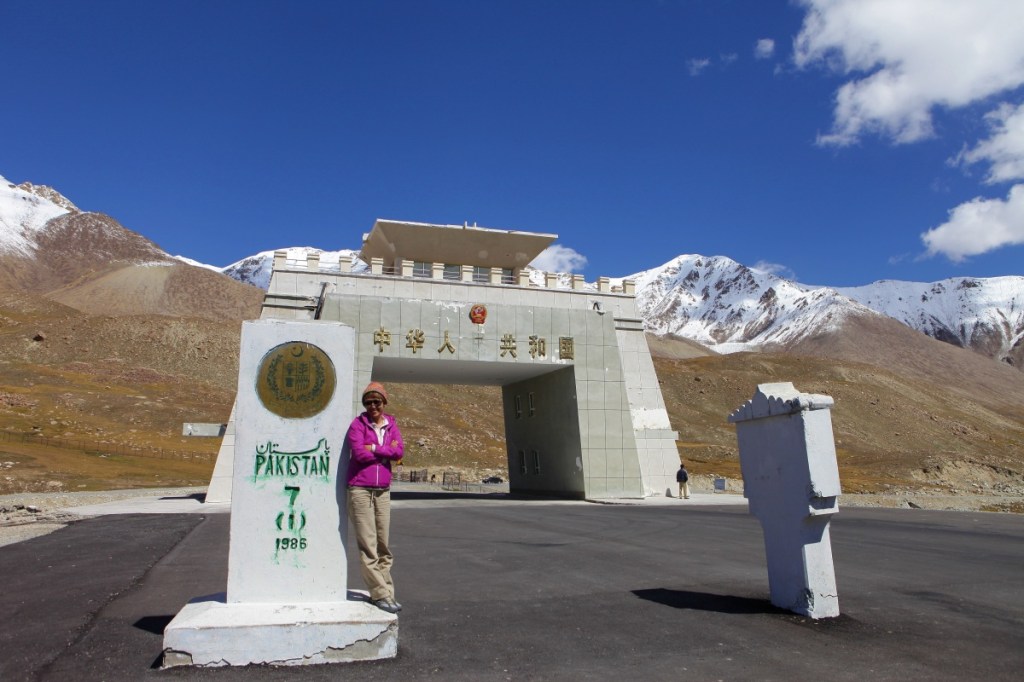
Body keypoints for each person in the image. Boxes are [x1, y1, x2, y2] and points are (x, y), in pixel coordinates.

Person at [346, 381, 405, 614]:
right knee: (368, 545)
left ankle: (387, 592)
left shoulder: (392, 425)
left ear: (384, 403)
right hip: (360, 489)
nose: (373, 406)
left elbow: (399, 452)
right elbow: (359, 453)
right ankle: (379, 594)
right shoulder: (357, 425)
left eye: (377, 401)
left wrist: (374, 448)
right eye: (368, 402)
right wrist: (383, 451)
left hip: (382, 490)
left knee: (384, 545)